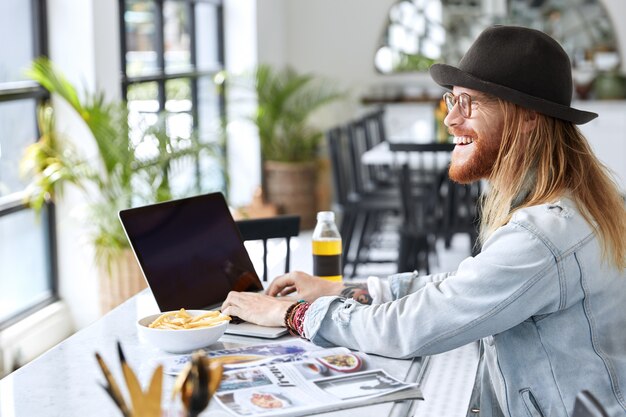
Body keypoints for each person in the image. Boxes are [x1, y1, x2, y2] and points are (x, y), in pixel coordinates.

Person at [222, 25, 626, 417]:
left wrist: (289, 313)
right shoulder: (571, 201)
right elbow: (462, 287)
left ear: (528, 118)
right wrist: (345, 288)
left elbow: (410, 329)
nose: (451, 119)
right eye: (453, 99)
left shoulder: (542, 236)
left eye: (471, 102)